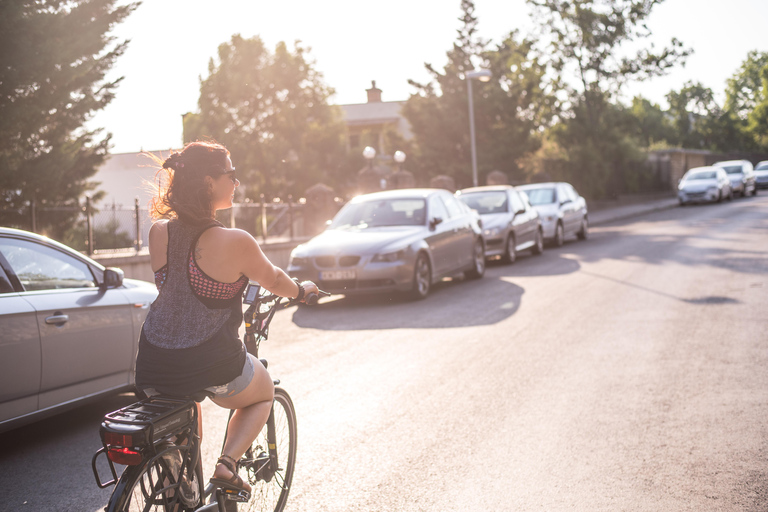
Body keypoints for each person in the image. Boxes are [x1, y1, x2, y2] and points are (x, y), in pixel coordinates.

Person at [135, 140, 318, 494]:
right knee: (264, 393)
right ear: (208, 182)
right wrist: (302, 290)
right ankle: (227, 465)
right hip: (211, 360)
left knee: (183, 411)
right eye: (231, 175)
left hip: (154, 359)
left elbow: (173, 294)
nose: (236, 183)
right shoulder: (235, 241)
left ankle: (176, 485)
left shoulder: (159, 231)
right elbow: (276, 280)